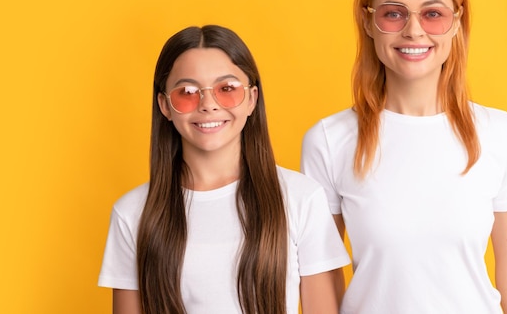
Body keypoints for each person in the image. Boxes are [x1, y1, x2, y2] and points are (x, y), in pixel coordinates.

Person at [301, 0, 507, 314]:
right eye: (393, 14)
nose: (414, 31)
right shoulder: (329, 141)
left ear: (456, 23)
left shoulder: (503, 134)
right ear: (368, 21)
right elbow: (322, 280)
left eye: (433, 14)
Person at [98, 25, 350, 314]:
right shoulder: (132, 214)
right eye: (188, 91)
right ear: (165, 106)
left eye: (227, 89)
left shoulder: (302, 198)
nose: (208, 105)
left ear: (252, 99)